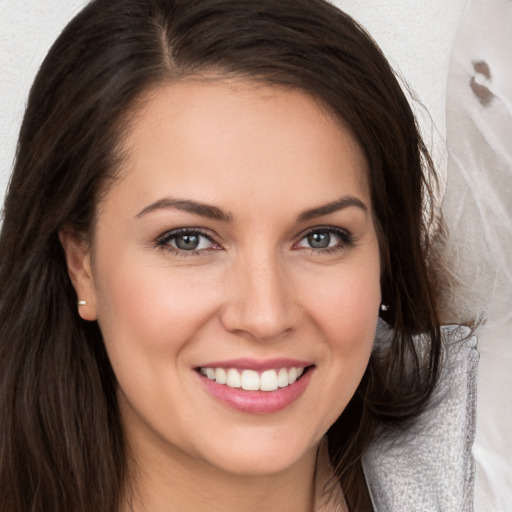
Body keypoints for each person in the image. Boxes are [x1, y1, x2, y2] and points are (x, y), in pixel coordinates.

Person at [0, 0, 445, 510]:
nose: (265, 315)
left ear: (385, 257)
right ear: (81, 265)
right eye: (188, 240)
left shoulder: (488, 458)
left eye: (321, 237)